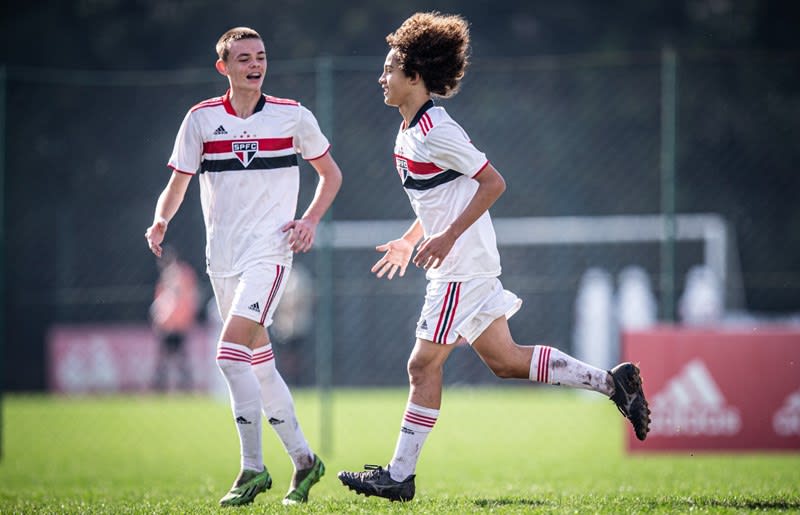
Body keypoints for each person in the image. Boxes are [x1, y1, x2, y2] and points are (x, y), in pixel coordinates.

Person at [338, 12, 651, 502]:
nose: (382, 79)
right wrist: (411, 237)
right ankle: (614, 384)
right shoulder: (408, 132)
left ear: (414, 77)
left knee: (422, 365)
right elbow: (442, 197)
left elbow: (492, 182)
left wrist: (445, 240)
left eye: (389, 71)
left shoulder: (436, 130)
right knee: (506, 361)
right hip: (464, 262)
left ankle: (399, 476)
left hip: (459, 267)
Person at [145, 26, 342, 506]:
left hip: (270, 256)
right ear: (224, 67)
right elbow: (179, 182)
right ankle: (305, 461)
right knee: (259, 366)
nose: (255, 64)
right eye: (244, 58)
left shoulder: (293, 116)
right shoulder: (201, 120)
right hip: (223, 261)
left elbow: (331, 174)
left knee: (228, 356)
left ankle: (251, 469)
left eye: (261, 56)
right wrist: (159, 219)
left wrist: (309, 221)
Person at [150, 245, 199, 391]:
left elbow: (185, 298)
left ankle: (180, 387)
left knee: (175, 359)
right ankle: (168, 387)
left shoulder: (180, 275)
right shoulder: (167, 277)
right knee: (172, 359)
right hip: (170, 324)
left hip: (176, 324)